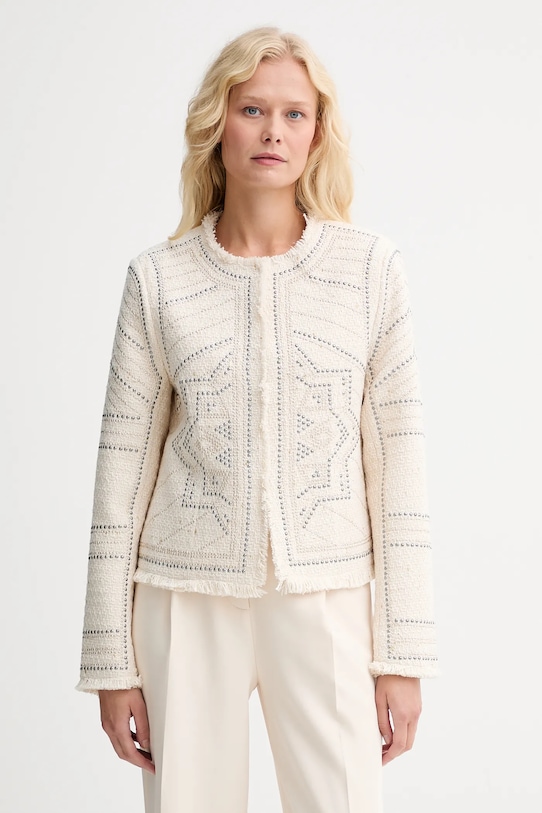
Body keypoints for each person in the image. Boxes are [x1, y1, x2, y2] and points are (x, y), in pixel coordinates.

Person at [76, 25, 439, 813]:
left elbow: (399, 467)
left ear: (317, 134)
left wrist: (403, 654)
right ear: (218, 124)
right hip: (184, 595)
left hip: (328, 596)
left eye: (294, 114)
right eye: (252, 109)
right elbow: (120, 476)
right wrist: (110, 660)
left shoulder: (371, 271)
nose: (273, 130)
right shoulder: (159, 280)